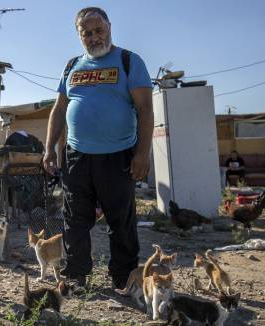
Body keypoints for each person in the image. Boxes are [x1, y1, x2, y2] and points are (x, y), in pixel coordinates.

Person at [42, 7, 154, 289]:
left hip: (118, 155)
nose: (94, 37)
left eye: (98, 30)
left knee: (121, 222)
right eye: (87, 33)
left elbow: (145, 110)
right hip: (77, 156)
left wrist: (142, 153)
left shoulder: (129, 61)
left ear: (109, 27)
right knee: (74, 220)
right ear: (79, 36)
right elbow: (58, 110)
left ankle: (124, 278)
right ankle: (76, 276)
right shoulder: (72, 66)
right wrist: (49, 149)